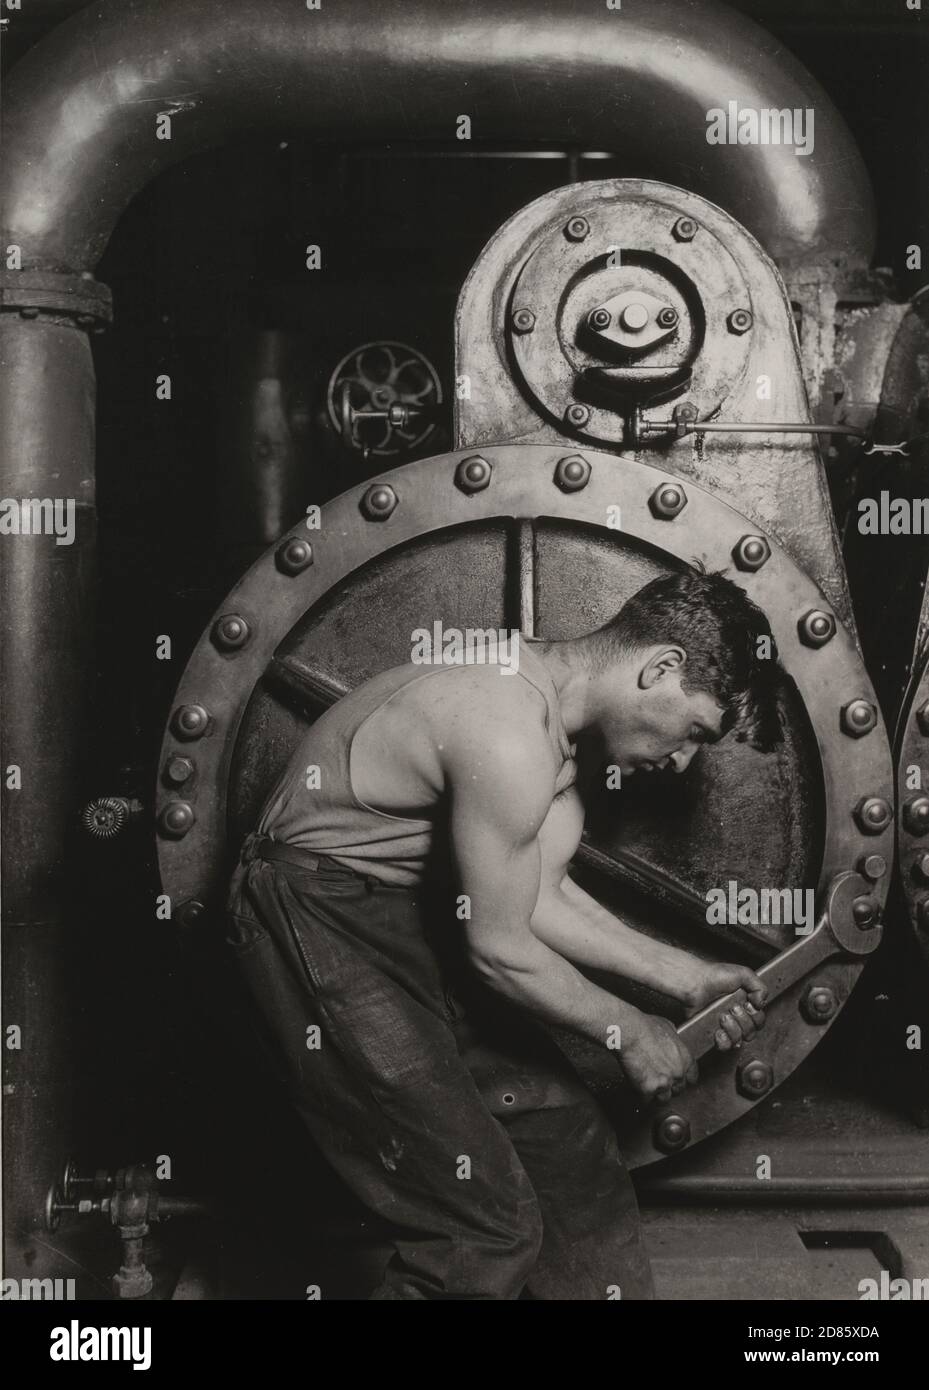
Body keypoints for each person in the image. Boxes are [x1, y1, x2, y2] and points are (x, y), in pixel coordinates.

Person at [226, 569, 781, 1300]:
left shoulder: (552, 731)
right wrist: (630, 1030)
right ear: (660, 667)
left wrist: (683, 976)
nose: (680, 761)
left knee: (564, 1146)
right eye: (694, 732)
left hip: (402, 912)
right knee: (481, 1223)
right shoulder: (504, 728)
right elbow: (497, 947)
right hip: (310, 913)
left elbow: (536, 897)